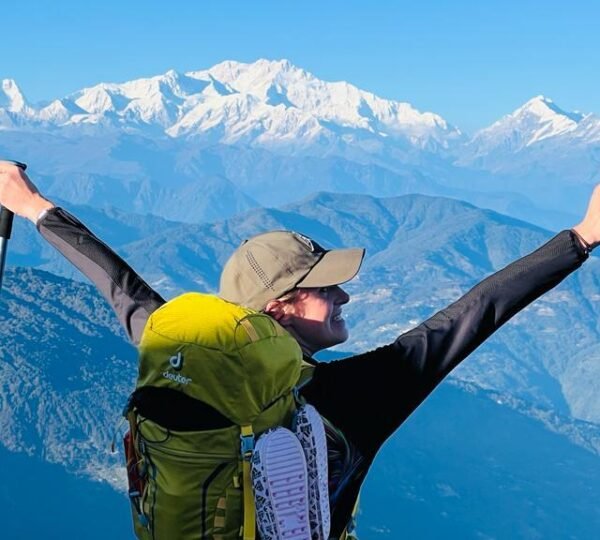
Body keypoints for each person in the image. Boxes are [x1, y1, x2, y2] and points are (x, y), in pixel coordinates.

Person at [0, 160, 598, 538]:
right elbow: (474, 314)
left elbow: (118, 287)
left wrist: (32, 207)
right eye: (324, 286)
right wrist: (582, 237)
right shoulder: (351, 397)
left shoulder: (183, 354)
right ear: (280, 305)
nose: (343, 294)